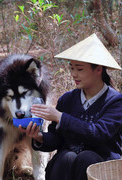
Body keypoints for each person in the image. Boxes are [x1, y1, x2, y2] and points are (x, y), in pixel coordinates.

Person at [20, 33, 122, 180]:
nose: (74, 74)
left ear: (98, 70)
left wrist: (59, 116)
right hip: (66, 167)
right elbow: (57, 139)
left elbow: (98, 134)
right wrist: (39, 136)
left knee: (86, 158)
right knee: (65, 157)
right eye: (71, 68)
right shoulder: (67, 100)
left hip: (100, 168)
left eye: (79, 69)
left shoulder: (115, 102)